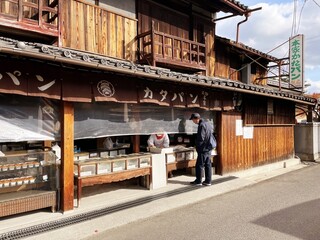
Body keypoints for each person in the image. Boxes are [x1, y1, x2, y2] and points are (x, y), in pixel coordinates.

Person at [189, 113, 214, 186]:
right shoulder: (207, 124)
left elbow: (201, 138)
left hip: (203, 148)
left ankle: (198, 181)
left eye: (193, 120)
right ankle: (208, 181)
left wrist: (197, 147)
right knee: (208, 164)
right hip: (209, 147)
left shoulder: (201, 125)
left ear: (196, 119)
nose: (193, 121)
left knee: (199, 165)